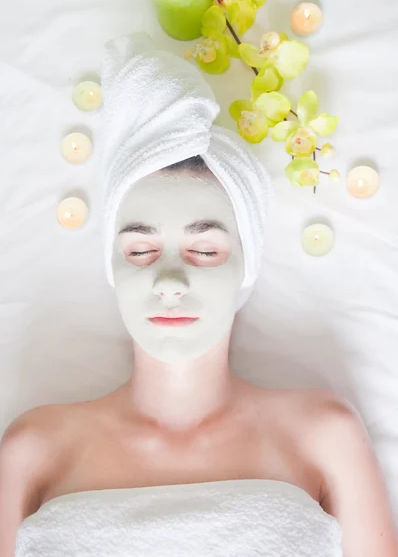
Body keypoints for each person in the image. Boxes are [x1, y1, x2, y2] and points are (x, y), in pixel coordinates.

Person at [1, 35, 398, 556]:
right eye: (141, 250)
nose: (170, 282)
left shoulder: (324, 436)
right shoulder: (35, 450)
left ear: (246, 263)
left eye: (204, 251)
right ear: (113, 268)